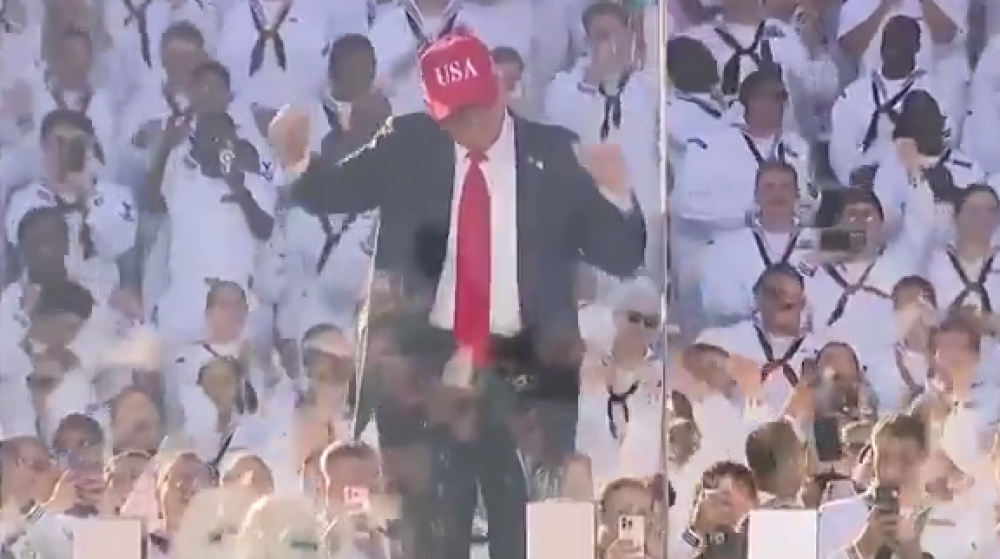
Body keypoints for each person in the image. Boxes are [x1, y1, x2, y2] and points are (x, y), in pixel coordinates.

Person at [268, 31, 645, 559]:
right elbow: (333, 192)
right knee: (430, 534)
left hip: (525, 365)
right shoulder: (408, 143)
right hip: (425, 365)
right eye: (455, 116)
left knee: (526, 533)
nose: (470, 125)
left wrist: (619, 193)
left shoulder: (554, 153)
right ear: (433, 110)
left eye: (478, 108)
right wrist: (297, 160)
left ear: (500, 90)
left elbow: (622, 255)